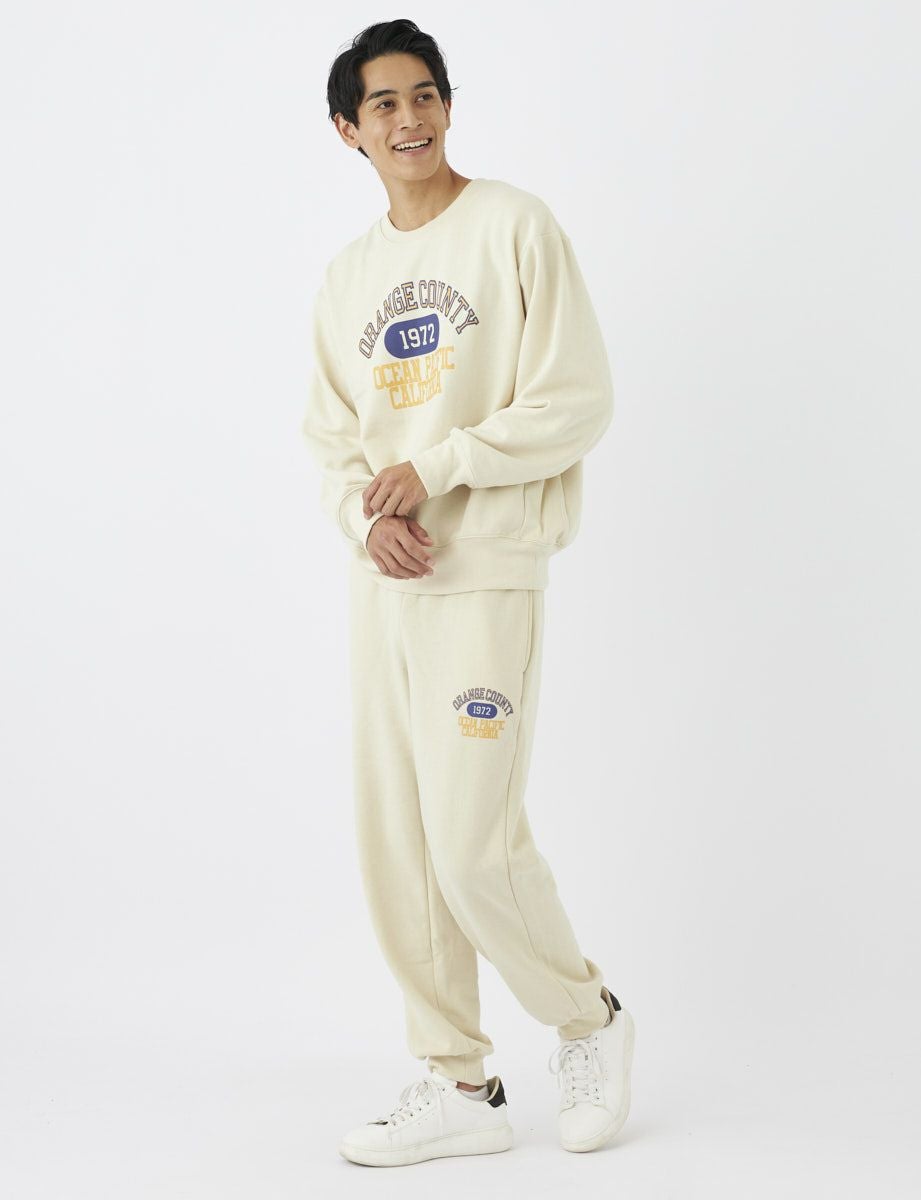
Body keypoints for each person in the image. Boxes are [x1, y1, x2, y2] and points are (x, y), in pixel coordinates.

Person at [300, 18, 635, 1167]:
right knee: (398, 847)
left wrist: (436, 468)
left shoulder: (513, 228)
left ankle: (588, 1018)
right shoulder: (345, 279)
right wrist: (367, 519)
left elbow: (576, 398)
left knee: (470, 847)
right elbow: (331, 442)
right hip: (387, 589)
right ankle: (459, 1083)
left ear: (448, 106)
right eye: (384, 104)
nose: (411, 119)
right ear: (348, 130)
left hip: (485, 573)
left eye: (426, 95)